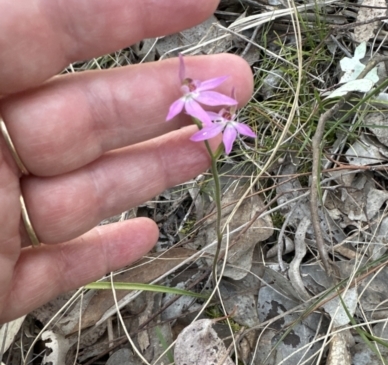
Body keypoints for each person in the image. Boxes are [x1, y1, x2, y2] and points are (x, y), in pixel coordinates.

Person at [0, 0, 253, 324]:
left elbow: (220, 105)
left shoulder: (213, 105)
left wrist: (217, 115)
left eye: (191, 85)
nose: (190, 88)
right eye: (187, 86)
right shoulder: (188, 105)